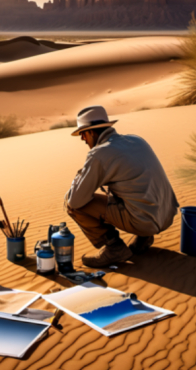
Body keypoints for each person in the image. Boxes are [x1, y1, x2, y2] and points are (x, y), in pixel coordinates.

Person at [65, 105, 179, 268]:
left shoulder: (100, 153)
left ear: (91, 131)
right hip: (166, 215)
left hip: (144, 221)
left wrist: (83, 172)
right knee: (128, 189)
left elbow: (75, 200)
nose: (82, 139)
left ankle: (114, 248)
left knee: (71, 205)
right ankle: (144, 238)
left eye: (82, 133)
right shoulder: (136, 139)